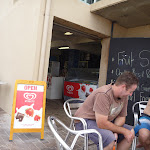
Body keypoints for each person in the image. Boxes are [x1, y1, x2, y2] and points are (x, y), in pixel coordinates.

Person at [74, 71, 139, 150]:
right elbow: (101, 123)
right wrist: (122, 131)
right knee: (109, 139)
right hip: (84, 121)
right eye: (131, 91)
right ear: (123, 87)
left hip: (103, 121)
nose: (131, 94)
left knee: (130, 132)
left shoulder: (123, 96)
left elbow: (121, 117)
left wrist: (116, 131)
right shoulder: (103, 94)